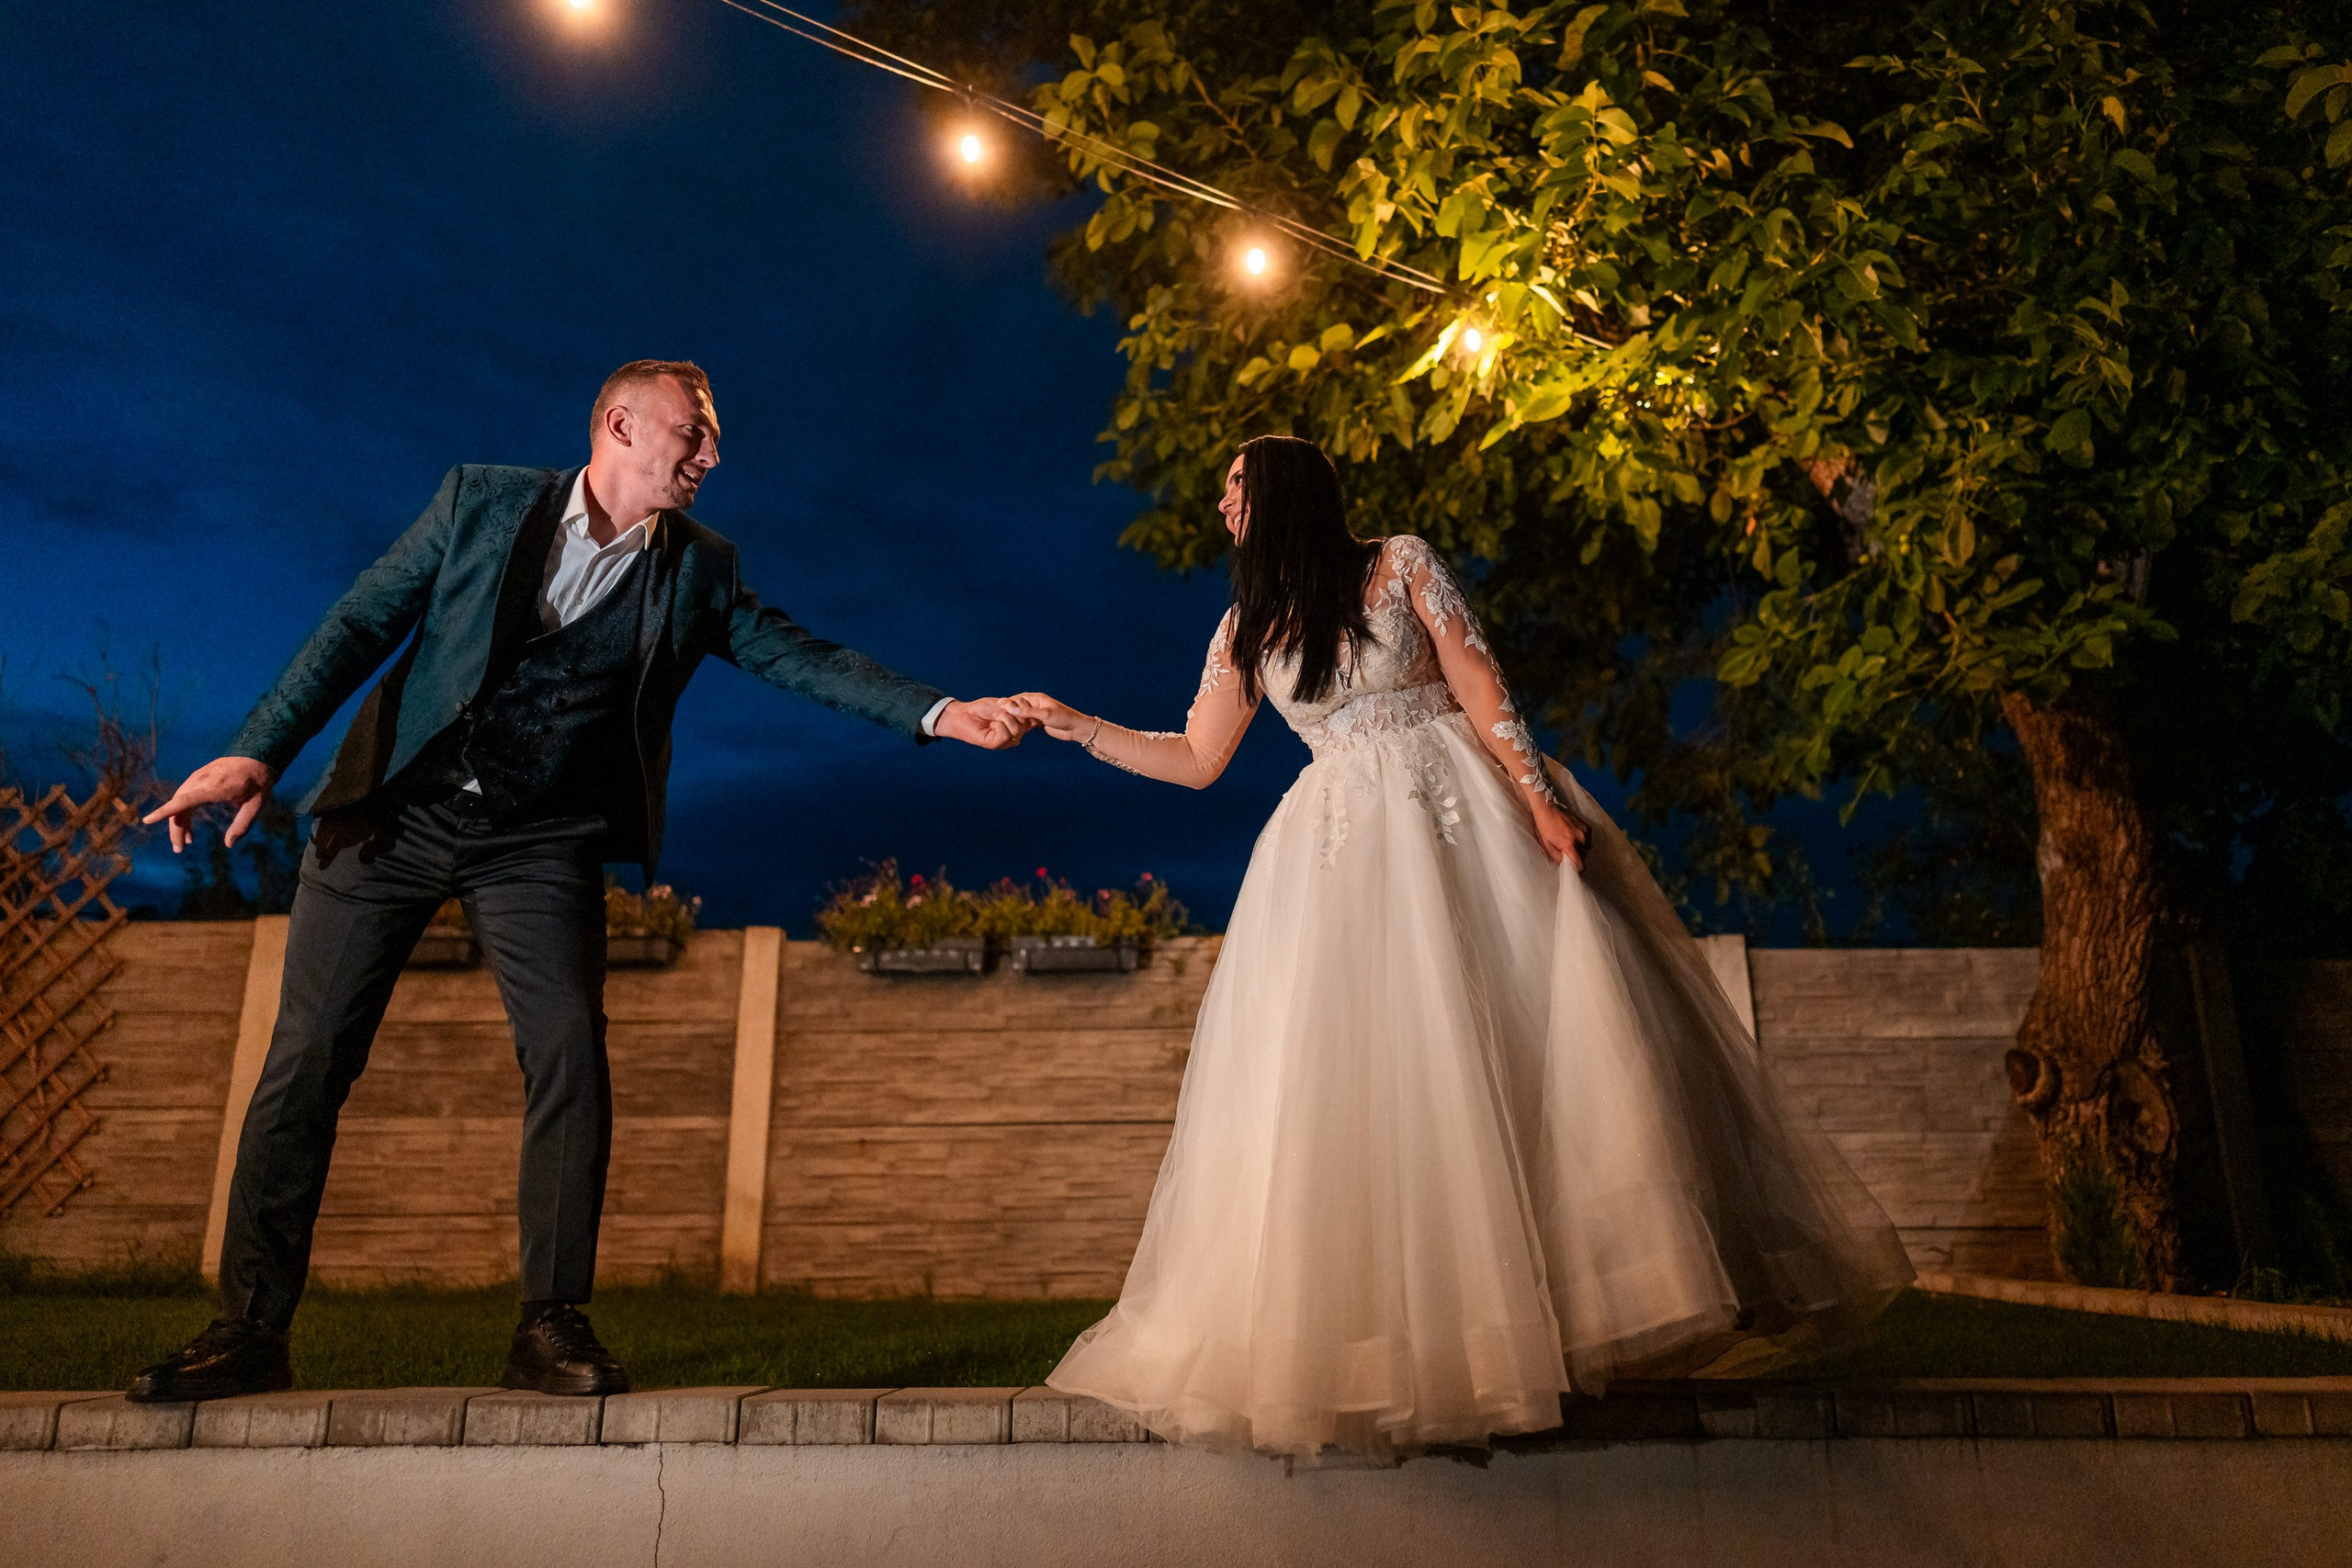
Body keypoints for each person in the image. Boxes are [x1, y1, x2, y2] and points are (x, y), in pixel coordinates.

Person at [129, 360, 1030, 1403]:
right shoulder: (482, 501)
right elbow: (359, 623)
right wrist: (259, 751)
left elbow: (798, 657)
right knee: (309, 1060)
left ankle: (549, 1324)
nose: (711, 456)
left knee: (568, 1053)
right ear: (620, 425)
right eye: (693, 434)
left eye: (711, 440)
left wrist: (939, 710)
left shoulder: (698, 568)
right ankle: (247, 1330)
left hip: (538, 838)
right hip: (395, 813)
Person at [1008, 434, 1914, 1459]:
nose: (1221, 504)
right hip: (1337, 861)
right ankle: (1405, 1339)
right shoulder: (1246, 627)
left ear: (1288, 492)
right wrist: (1077, 726)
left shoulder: (1398, 563)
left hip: (1462, 817)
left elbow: (1481, 686)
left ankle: (1582, 1307)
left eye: (1235, 486)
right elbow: (1196, 756)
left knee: (1531, 1042)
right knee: (1373, 1082)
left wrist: (1537, 799)